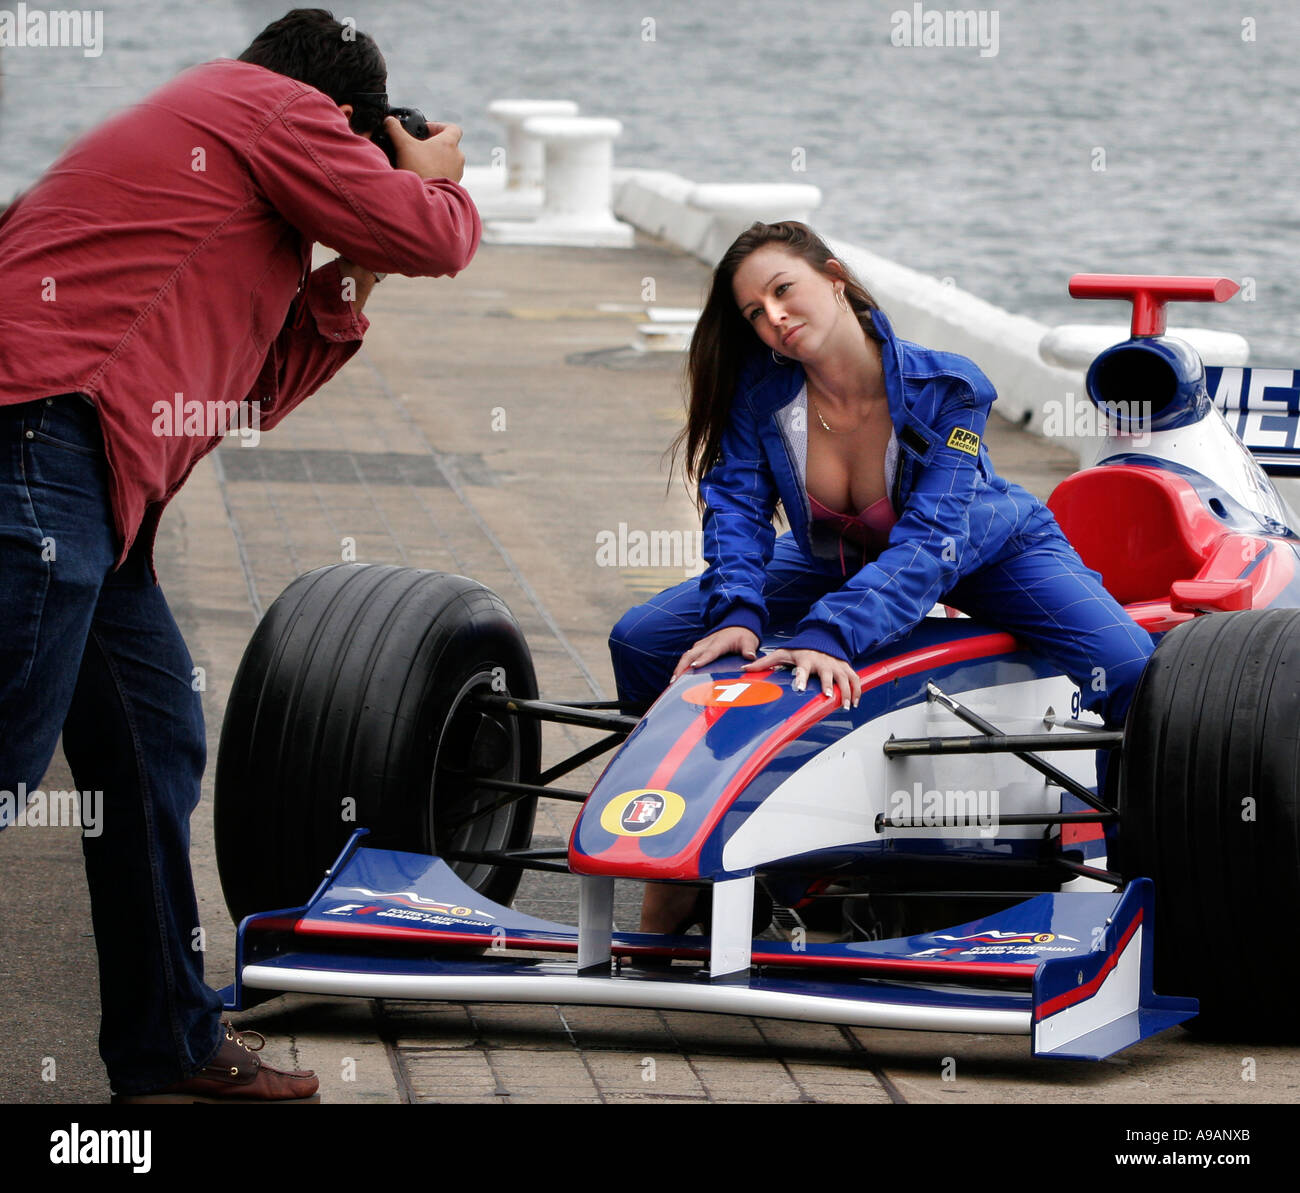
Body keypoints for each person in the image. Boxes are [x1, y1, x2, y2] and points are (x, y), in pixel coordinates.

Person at [0, 8, 480, 1102]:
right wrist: (435, 179)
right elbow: (440, 235)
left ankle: (168, 1049)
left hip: (96, 480)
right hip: (41, 437)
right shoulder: (267, 104)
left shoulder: (217, 175)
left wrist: (358, 259)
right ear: (347, 120)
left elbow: (254, 391)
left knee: (152, 743)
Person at [608, 221, 1156, 933]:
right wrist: (737, 615)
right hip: (832, 554)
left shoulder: (952, 388)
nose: (773, 318)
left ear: (833, 276)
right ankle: (702, 853)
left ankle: (1129, 877)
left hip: (982, 546)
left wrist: (829, 633)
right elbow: (736, 507)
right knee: (645, 640)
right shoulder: (759, 392)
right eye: (754, 312)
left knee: (1135, 669)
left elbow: (930, 544)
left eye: (783, 290)